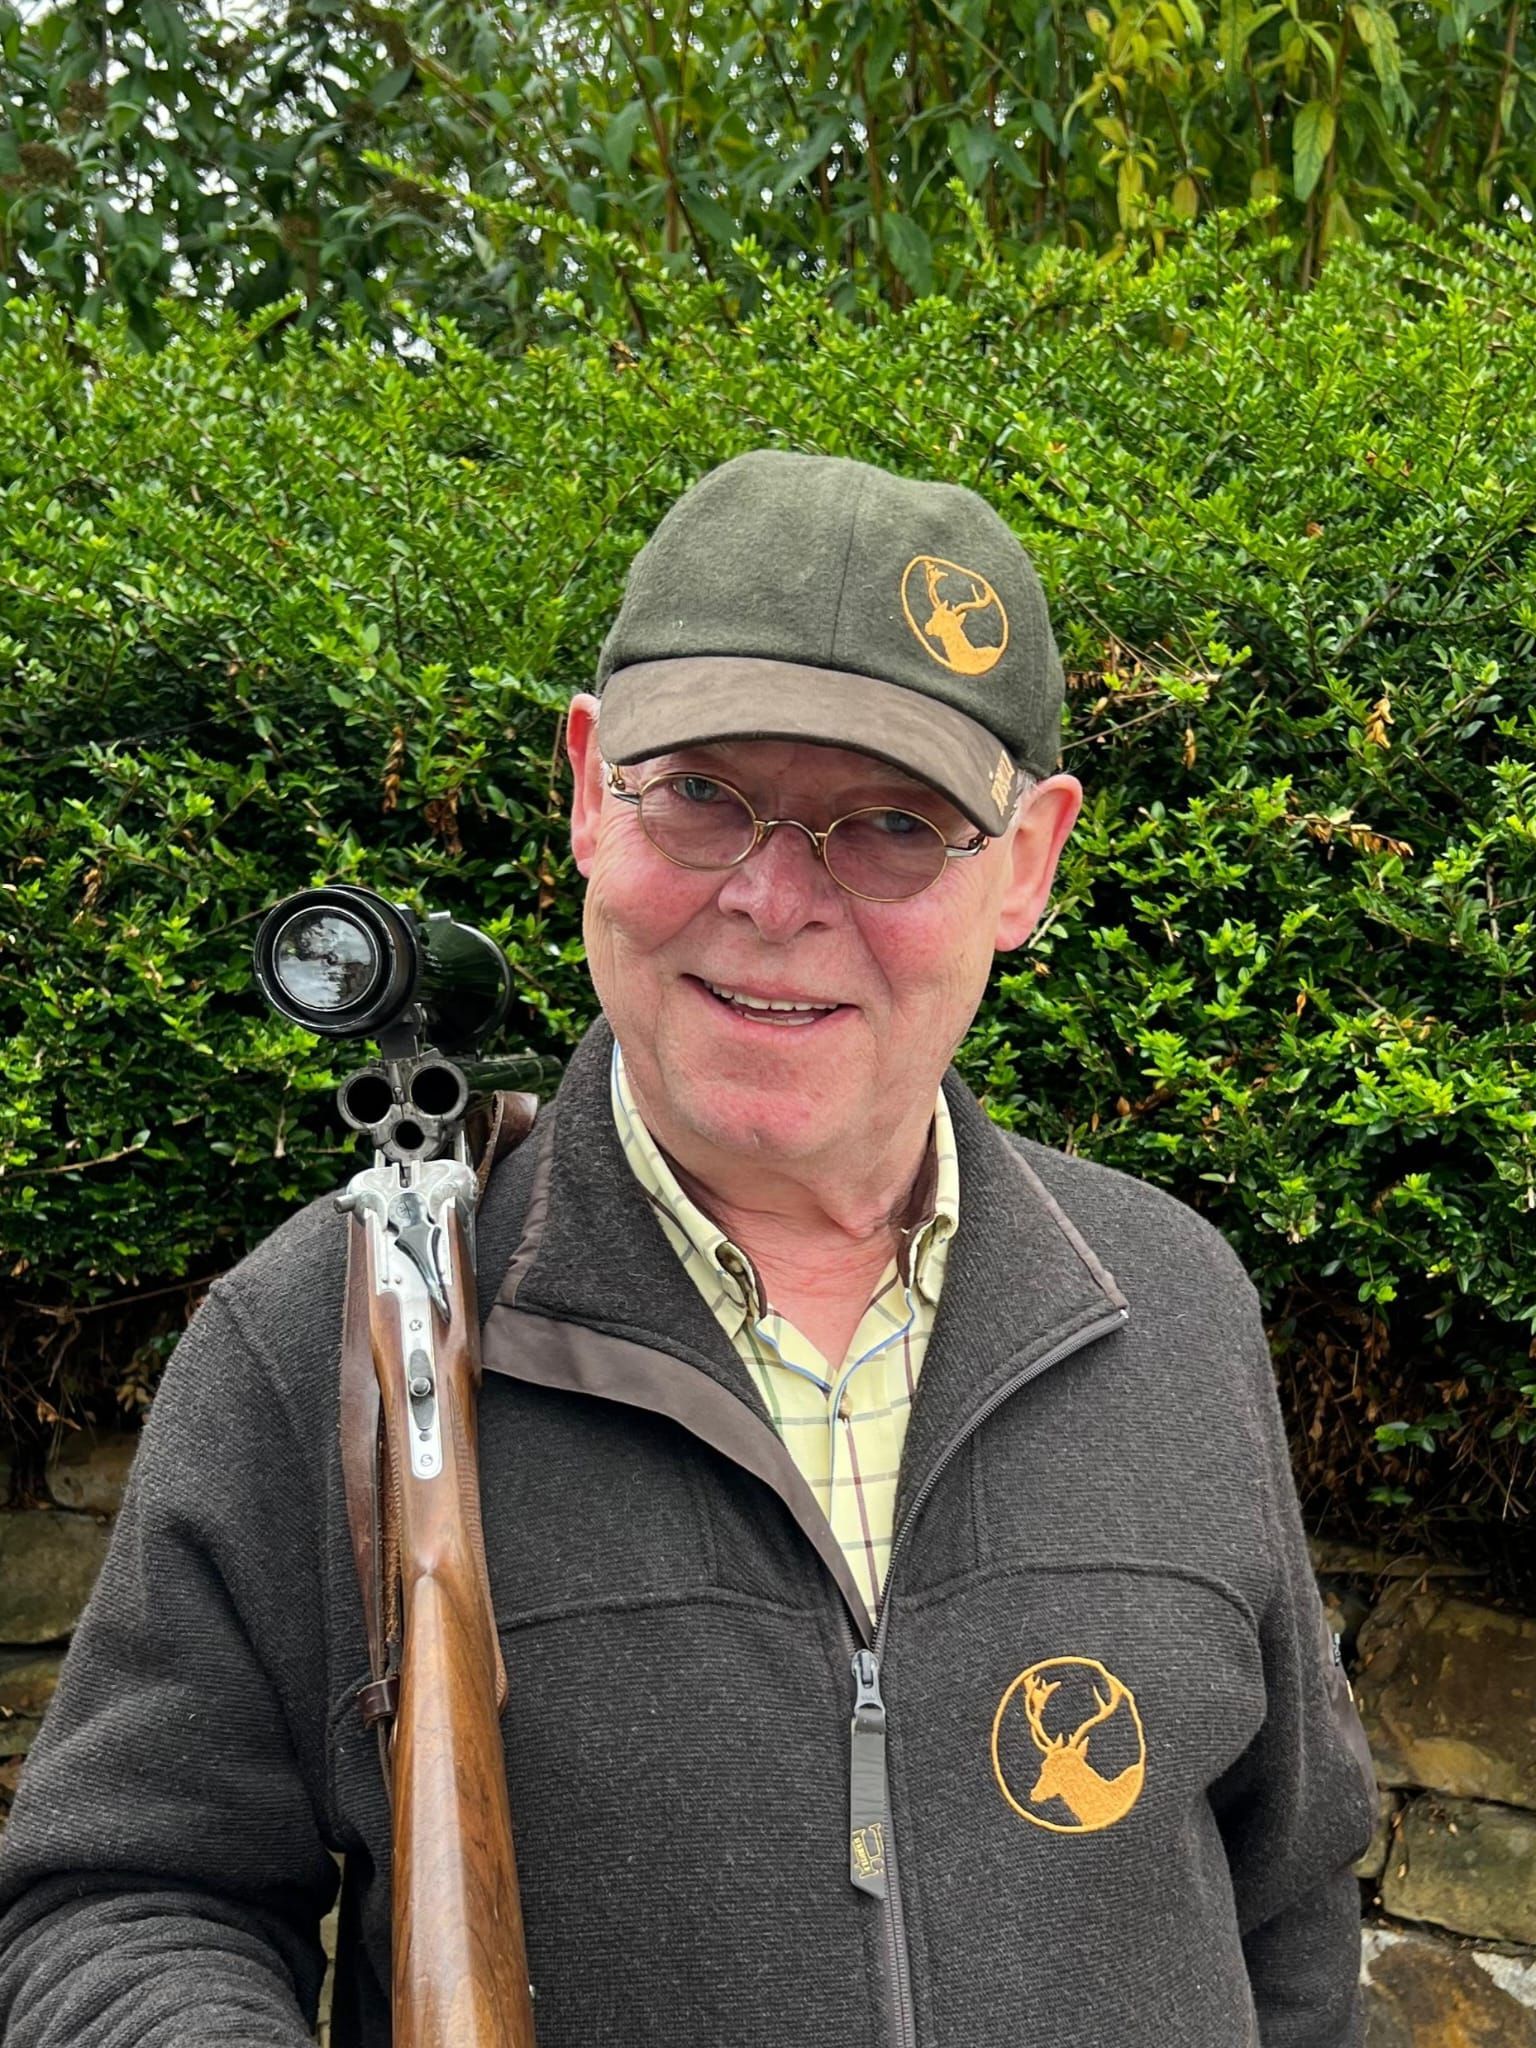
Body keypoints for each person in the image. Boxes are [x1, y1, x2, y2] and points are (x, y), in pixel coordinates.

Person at [0, 450, 1377, 2047]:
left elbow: (1289, 1910)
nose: (774, 900)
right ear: (593, 787)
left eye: (893, 826)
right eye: (705, 794)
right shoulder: (327, 1330)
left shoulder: (1174, 1303)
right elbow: (121, 1899)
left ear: (1028, 863)